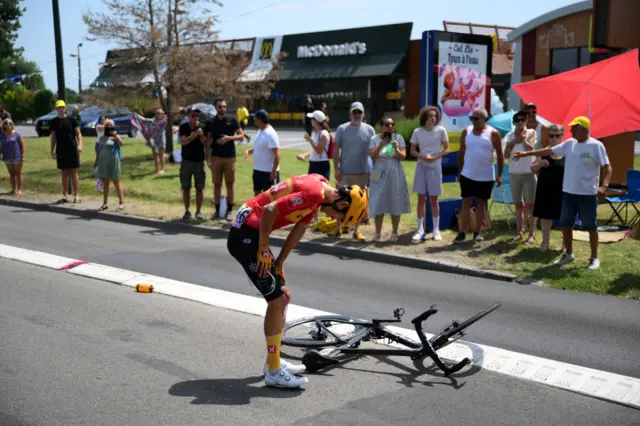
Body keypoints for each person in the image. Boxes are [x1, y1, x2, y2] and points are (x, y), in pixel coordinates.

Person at [227, 173, 369, 388]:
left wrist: (280, 261)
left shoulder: (321, 185)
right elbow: (269, 210)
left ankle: (272, 362)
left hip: (252, 232)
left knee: (283, 296)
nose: (332, 218)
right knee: (277, 300)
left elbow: (300, 228)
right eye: (338, 215)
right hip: (246, 236)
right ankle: (273, 371)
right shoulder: (313, 195)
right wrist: (264, 250)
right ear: (339, 202)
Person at [513, 116, 612, 270]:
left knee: (590, 227)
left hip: (587, 194)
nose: (570, 130)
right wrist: (525, 154)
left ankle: (594, 258)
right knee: (566, 225)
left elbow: (607, 167)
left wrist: (604, 186)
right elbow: (548, 150)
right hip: (568, 193)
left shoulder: (596, 146)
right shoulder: (569, 144)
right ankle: (568, 254)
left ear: (584, 129)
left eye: (574, 128)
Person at [454, 108, 504, 243]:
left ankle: (477, 232)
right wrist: (459, 171)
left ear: (484, 119)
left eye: (476, 118)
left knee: (481, 204)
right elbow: (461, 152)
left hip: (485, 175)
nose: (473, 121)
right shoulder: (467, 131)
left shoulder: (493, 133)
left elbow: (500, 155)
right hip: (467, 174)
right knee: (466, 202)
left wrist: (499, 175)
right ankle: (462, 233)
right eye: (472, 118)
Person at [332, 101, 375, 240]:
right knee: (340, 200)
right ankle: (338, 228)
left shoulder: (370, 130)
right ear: (350, 113)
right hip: (345, 171)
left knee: (359, 203)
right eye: (354, 112)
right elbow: (335, 149)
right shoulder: (342, 129)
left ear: (363, 114)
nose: (357, 115)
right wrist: (336, 168)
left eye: (359, 112)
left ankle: (356, 230)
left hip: (362, 171)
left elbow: (374, 151)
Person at [409, 105, 450, 241]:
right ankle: (420, 229)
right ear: (425, 118)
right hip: (421, 167)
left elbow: (447, 149)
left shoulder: (441, 130)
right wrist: (422, 156)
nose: (433, 119)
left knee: (434, 199)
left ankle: (436, 230)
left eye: (435, 116)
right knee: (421, 199)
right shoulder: (417, 131)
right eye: (431, 116)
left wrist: (434, 157)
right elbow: (412, 151)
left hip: (435, 167)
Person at [368, 116, 411, 242]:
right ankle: (377, 233)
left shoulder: (399, 138)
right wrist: (381, 144)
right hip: (377, 168)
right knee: (377, 199)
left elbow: (403, 157)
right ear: (381, 126)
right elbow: (372, 156)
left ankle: (395, 232)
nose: (390, 127)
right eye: (387, 124)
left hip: (394, 168)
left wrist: (396, 148)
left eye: (392, 124)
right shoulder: (374, 139)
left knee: (395, 200)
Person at [205, 97, 245, 221]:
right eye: (219, 107)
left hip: (230, 158)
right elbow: (207, 141)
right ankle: (217, 211)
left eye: (224, 106)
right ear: (216, 108)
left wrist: (228, 138)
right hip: (216, 157)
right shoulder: (211, 122)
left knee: (230, 185)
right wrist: (208, 158)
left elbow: (241, 136)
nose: (222, 109)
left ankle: (229, 211)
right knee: (217, 185)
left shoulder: (232, 120)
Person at [503, 110, 538, 243]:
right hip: (514, 173)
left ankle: (531, 234)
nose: (520, 122)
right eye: (517, 120)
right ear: (513, 123)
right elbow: (506, 155)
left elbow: (531, 150)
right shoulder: (509, 136)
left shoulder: (532, 133)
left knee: (530, 204)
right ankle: (519, 232)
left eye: (522, 119)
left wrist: (522, 139)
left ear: (526, 121)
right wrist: (512, 142)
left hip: (529, 173)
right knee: (519, 204)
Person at [531, 124, 566, 251]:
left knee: (565, 217)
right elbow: (532, 169)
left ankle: (565, 245)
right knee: (546, 218)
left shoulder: (567, 152)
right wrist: (539, 164)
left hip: (563, 189)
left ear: (562, 136)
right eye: (551, 136)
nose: (554, 138)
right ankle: (545, 243)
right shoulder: (543, 151)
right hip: (546, 188)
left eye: (557, 136)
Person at [50, 100, 83, 204]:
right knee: (64, 173)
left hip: (72, 149)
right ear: (56, 109)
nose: (61, 109)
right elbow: (53, 137)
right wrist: (52, 150)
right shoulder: (54, 121)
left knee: (73, 172)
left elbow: (78, 134)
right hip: (61, 150)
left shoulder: (72, 119)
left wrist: (80, 145)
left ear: (65, 109)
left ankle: (76, 195)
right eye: (58, 108)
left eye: (62, 107)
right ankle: (65, 195)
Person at [244, 110, 281, 196]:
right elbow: (259, 147)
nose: (254, 120)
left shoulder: (271, 134)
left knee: (270, 197)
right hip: (258, 170)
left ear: (259, 120)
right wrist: (249, 151)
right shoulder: (260, 131)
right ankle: (258, 210)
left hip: (268, 172)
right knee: (257, 194)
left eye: (255, 118)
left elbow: (277, 154)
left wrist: (274, 171)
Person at [179, 107, 207, 221]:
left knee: (199, 188)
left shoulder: (202, 127)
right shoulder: (184, 127)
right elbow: (184, 141)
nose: (195, 118)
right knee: (186, 187)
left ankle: (198, 211)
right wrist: (193, 135)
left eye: (197, 116)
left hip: (199, 162)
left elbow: (206, 143)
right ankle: (187, 211)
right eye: (193, 115)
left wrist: (200, 135)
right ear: (188, 116)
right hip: (186, 162)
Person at [96, 119, 125, 210]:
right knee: (106, 182)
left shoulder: (116, 136)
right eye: (107, 125)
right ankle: (105, 203)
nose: (108, 127)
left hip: (113, 161)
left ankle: (121, 202)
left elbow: (121, 144)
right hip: (104, 161)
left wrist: (115, 135)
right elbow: (99, 151)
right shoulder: (101, 138)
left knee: (116, 181)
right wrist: (96, 162)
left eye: (110, 125)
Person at [0, 119, 25, 196]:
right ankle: (13, 189)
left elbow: (22, 145)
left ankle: (19, 190)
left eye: (10, 123)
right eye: (6, 123)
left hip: (16, 156)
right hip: (7, 157)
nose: (8, 125)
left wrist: (22, 155)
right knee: (11, 174)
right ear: (3, 125)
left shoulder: (17, 134)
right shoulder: (1, 135)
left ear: (12, 125)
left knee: (18, 173)